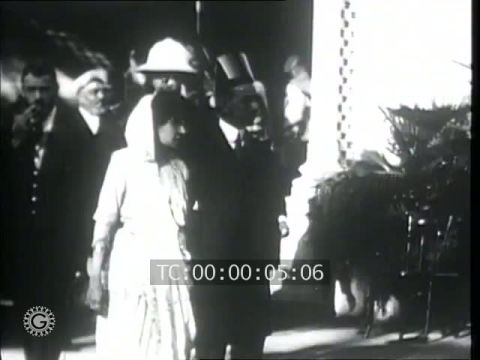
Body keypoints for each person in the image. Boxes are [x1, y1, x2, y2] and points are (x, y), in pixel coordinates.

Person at [191, 52, 287, 360]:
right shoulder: (201, 147)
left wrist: (270, 259)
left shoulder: (262, 153)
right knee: (210, 344)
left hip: (252, 270)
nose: (255, 107)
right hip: (212, 269)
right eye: (246, 100)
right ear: (224, 102)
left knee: (249, 344)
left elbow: (271, 208)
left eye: (256, 100)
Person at [86, 91, 196, 359]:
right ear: (153, 123)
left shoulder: (179, 168)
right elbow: (104, 223)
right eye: (173, 122)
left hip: (169, 269)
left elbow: (181, 226)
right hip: (132, 270)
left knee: (174, 342)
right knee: (134, 341)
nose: (182, 129)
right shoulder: (123, 162)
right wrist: (95, 280)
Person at [1, 59, 82, 359]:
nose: (37, 98)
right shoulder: (10, 121)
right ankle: (35, 354)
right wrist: (14, 139)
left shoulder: (73, 127)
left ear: (56, 90)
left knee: (52, 312)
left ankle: (45, 355)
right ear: (22, 90)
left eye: (44, 90)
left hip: (58, 243)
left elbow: (83, 190)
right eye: (31, 90)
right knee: (29, 310)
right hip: (22, 243)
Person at [70, 68, 125, 281]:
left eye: (104, 92)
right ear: (80, 95)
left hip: (104, 203)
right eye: (94, 92)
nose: (101, 97)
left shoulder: (114, 127)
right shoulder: (67, 125)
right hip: (74, 206)